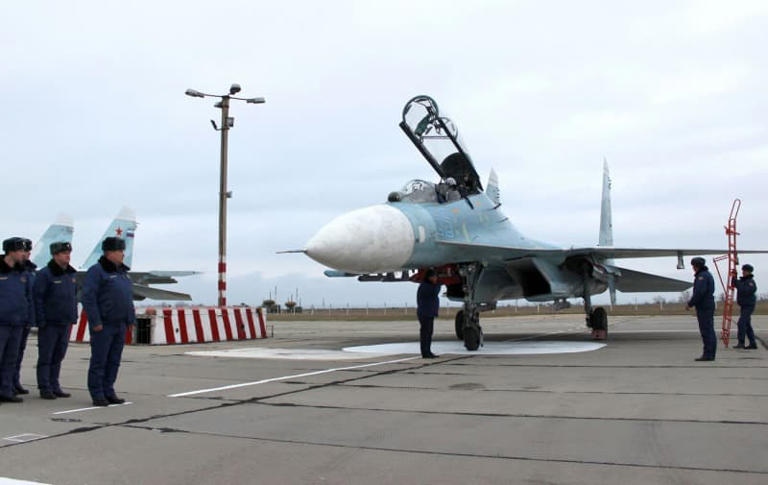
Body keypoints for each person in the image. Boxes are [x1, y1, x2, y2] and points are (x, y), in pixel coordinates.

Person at [81, 237, 135, 406]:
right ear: (109, 253)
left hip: (120, 324)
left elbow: (127, 298)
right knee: (100, 361)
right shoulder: (97, 271)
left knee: (114, 361)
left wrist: (130, 319)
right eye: (120, 251)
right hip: (104, 325)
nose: (123, 254)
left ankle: (108, 390)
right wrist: (96, 321)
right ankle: (97, 393)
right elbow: (88, 298)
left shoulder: (122, 273)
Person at [34, 241, 78, 399]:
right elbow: (38, 298)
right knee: (46, 356)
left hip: (65, 322)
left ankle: (54, 385)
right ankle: (45, 387)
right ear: (55, 255)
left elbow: (72, 297)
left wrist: (73, 315)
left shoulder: (70, 274)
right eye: (64, 253)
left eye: (69, 253)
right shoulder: (45, 274)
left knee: (58, 355)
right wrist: (41, 320)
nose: (68, 256)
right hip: (50, 323)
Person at [0, 237, 34, 403]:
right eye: (20, 251)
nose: (23, 254)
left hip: (18, 323)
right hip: (1, 323)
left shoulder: (22, 273)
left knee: (11, 359)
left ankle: (6, 390)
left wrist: (27, 318)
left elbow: (27, 297)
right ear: (10, 252)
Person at [13, 238, 36, 395]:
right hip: (11, 319)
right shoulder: (15, 271)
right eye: (24, 251)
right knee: (10, 354)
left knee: (18, 353)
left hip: (24, 318)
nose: (27, 254)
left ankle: (15, 381)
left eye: (28, 251)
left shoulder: (30, 271)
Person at [686, 257, 716, 361]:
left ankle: (708, 354)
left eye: (693, 266)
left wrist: (690, 304)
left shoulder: (701, 277)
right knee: (709, 329)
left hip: (704, 306)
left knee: (706, 330)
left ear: (696, 266)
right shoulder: (707, 274)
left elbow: (699, 292)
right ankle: (710, 353)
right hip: (708, 304)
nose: (693, 268)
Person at [732, 264, 758, 350]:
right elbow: (735, 284)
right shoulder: (743, 281)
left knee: (741, 323)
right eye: (743, 270)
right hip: (744, 306)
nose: (743, 272)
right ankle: (753, 343)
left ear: (749, 272)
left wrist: (738, 283)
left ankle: (741, 342)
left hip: (749, 306)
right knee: (747, 324)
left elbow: (745, 290)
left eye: (745, 271)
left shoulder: (750, 282)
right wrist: (734, 277)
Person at [417, 269, 441, 359]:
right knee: (426, 333)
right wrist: (438, 284)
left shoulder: (427, 285)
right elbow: (435, 292)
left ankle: (428, 351)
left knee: (429, 333)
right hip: (425, 313)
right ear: (429, 277)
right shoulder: (426, 286)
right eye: (434, 277)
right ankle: (425, 352)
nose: (435, 279)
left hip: (429, 313)